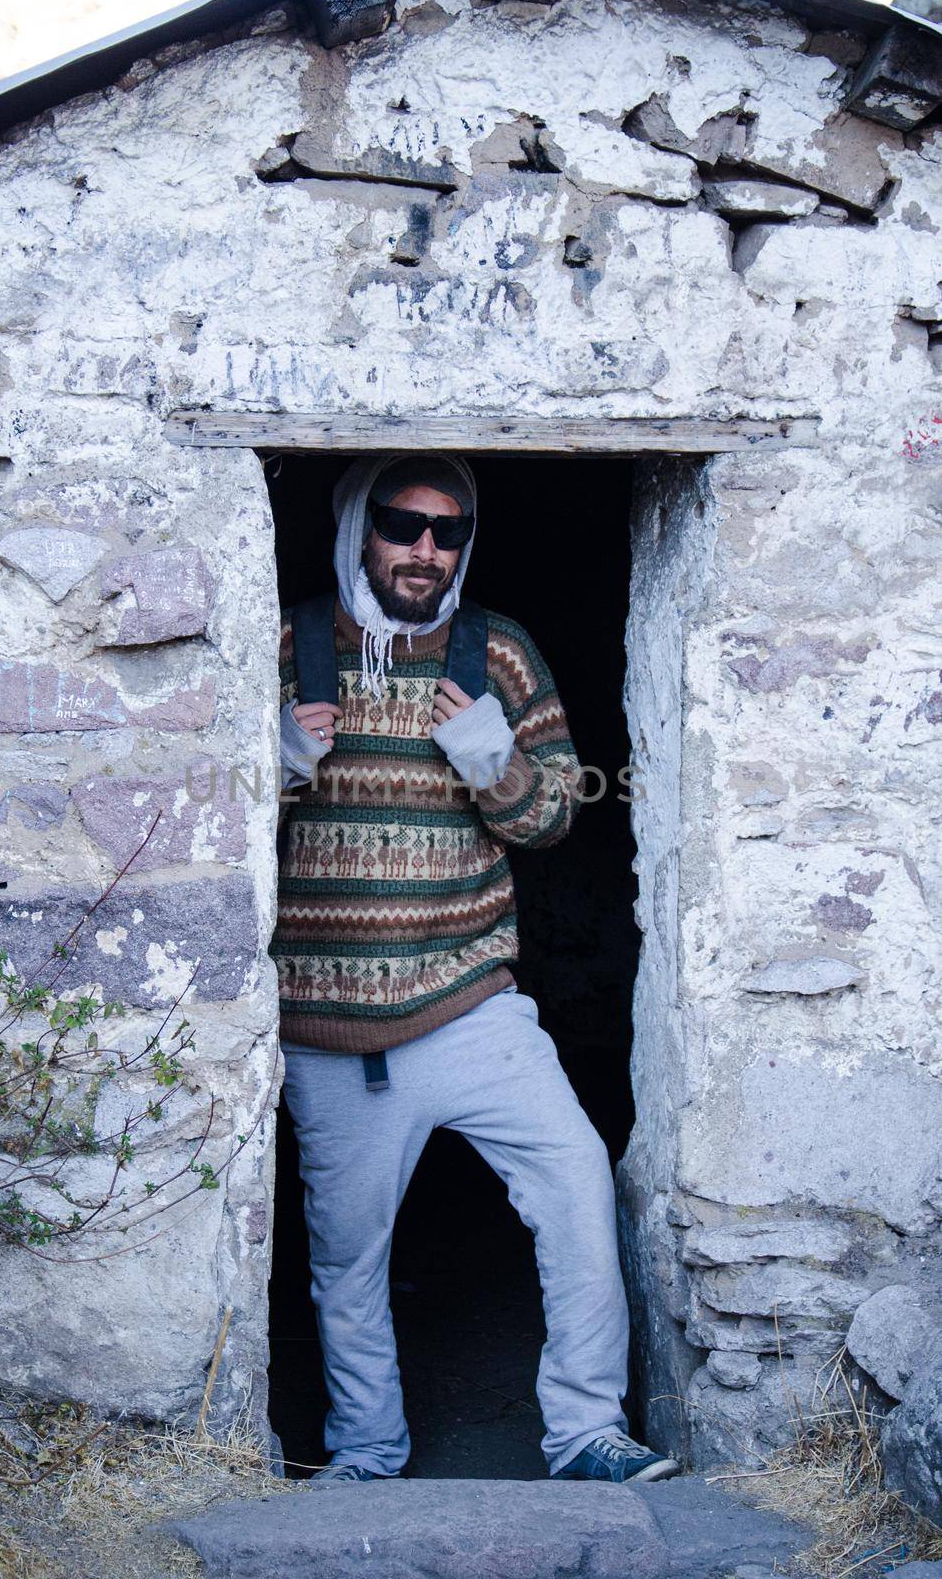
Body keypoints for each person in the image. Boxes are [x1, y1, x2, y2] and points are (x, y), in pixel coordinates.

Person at [270, 453, 679, 1487]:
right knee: (346, 1262)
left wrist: (495, 763)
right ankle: (364, 1455)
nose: (424, 550)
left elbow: (554, 820)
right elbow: (202, 829)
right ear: (361, 525)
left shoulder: (495, 650)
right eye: (403, 524)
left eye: (448, 532)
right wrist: (265, 767)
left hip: (470, 1003)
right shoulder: (291, 642)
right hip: (330, 1026)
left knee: (579, 1183)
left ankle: (586, 1431)